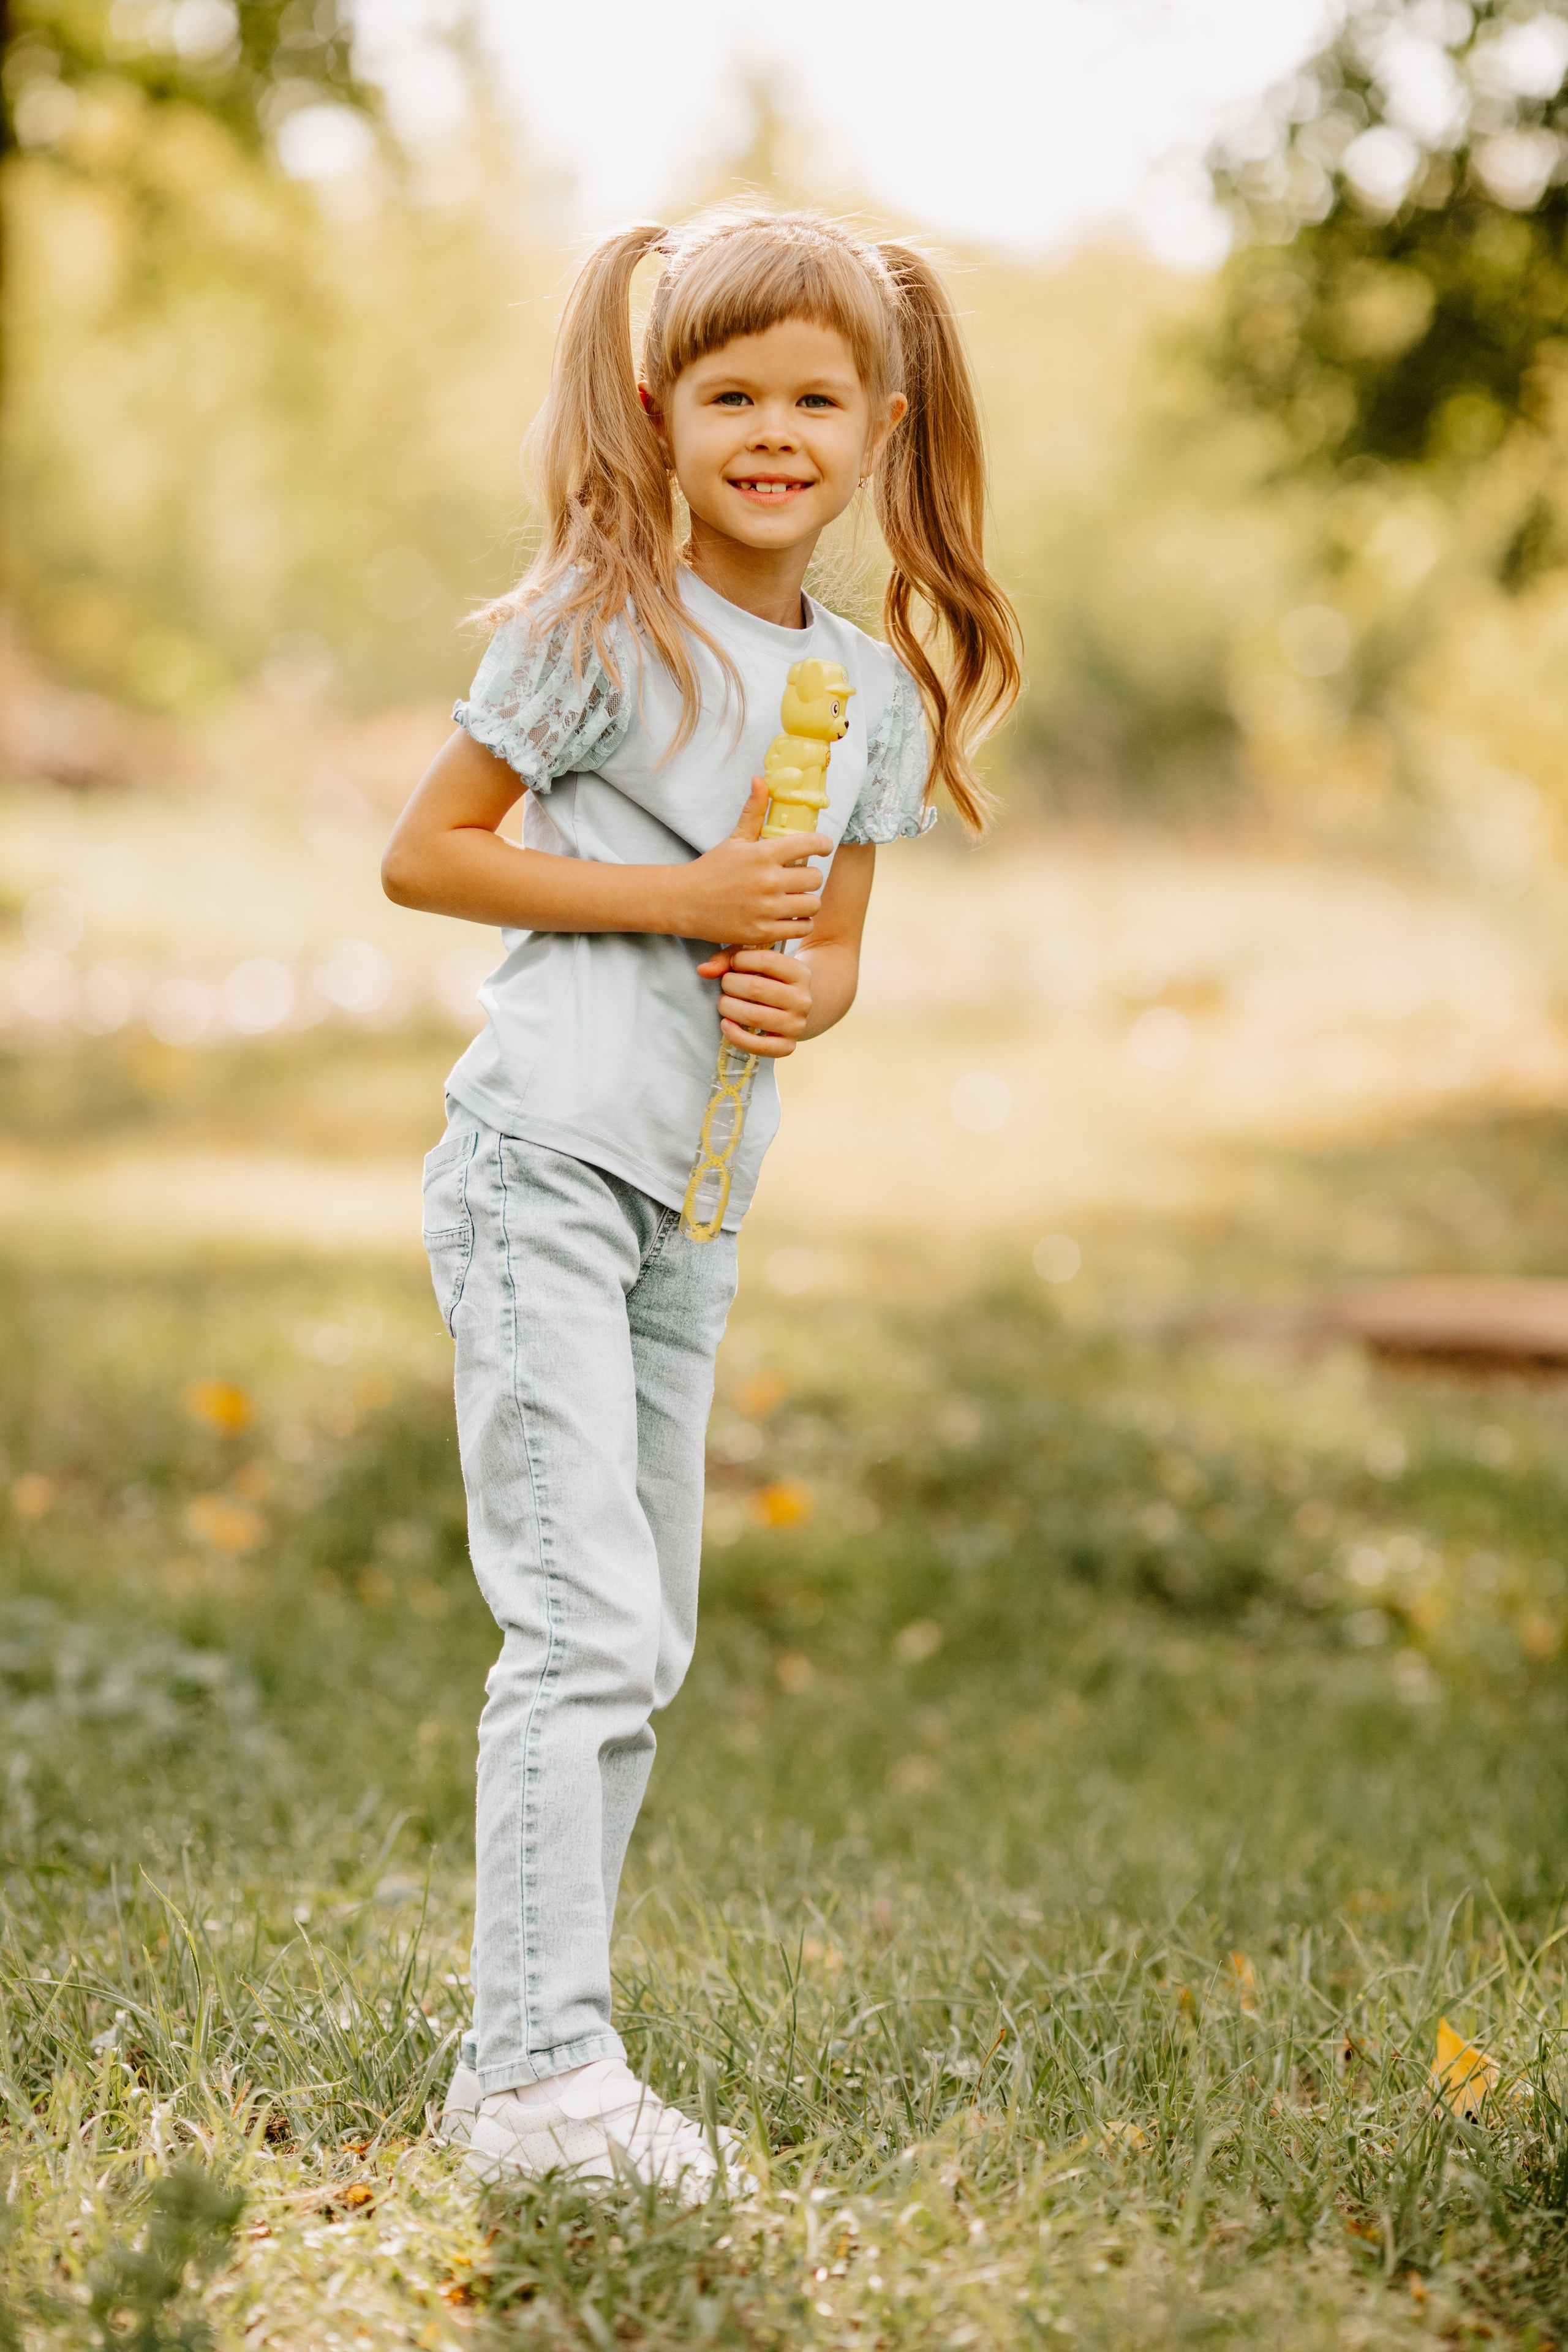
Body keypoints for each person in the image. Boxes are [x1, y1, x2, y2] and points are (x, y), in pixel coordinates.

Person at [381, 207, 1020, 2196]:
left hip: (693, 1205)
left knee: (636, 1638)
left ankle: (533, 2070)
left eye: (815, 399)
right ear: (660, 414)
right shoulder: (605, 626)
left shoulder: (874, 698)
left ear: (880, 427)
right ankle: (543, 2082)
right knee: (576, 1629)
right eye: (729, 394)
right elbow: (431, 856)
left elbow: (831, 953)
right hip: (544, 1172)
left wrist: (797, 988)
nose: (773, 431)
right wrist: (674, 899)